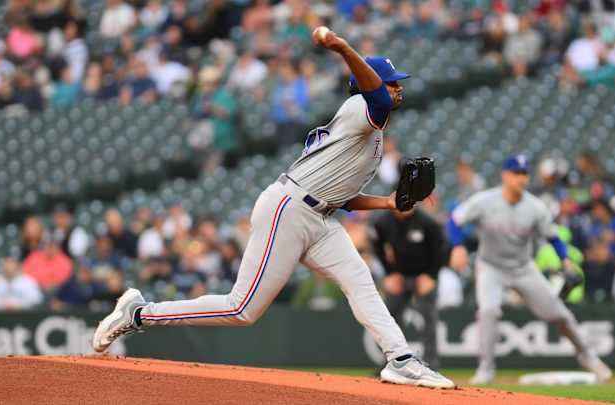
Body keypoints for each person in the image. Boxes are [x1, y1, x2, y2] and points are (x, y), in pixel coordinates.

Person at [93, 26, 453, 389]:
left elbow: (339, 196)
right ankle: (139, 313)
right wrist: (342, 47)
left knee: (361, 283)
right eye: (391, 82)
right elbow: (376, 94)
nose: (397, 87)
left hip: (320, 215)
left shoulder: (371, 134)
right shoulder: (363, 107)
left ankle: (401, 359)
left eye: (395, 82)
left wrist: (387, 202)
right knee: (241, 309)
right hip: (290, 209)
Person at [449, 155, 612, 384]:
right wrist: (457, 247)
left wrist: (565, 260)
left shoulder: (535, 207)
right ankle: (486, 369)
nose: (521, 178)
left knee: (560, 315)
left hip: (523, 268)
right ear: (504, 175)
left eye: (524, 173)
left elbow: (554, 238)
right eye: (516, 173)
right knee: (489, 311)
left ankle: (588, 357)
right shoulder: (484, 201)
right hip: (490, 267)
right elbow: (454, 220)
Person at [370, 207, 447, 368]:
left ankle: (431, 365)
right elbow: (377, 247)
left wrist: (431, 275)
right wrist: (389, 273)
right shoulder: (382, 222)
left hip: (424, 275)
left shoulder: (428, 221)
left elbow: (441, 249)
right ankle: (391, 363)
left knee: (429, 320)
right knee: (390, 319)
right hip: (399, 274)